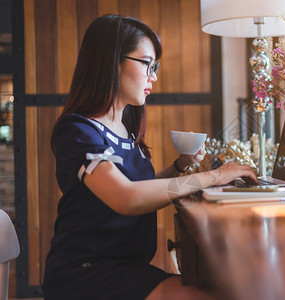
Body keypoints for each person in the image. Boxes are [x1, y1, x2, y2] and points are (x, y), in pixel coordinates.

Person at [42, 14, 257, 300]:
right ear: (111, 61)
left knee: (222, 286)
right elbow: (126, 197)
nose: (153, 76)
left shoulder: (124, 128)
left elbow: (138, 185)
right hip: (86, 272)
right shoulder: (78, 130)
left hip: (126, 267)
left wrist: (178, 167)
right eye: (147, 64)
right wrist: (213, 176)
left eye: (155, 66)